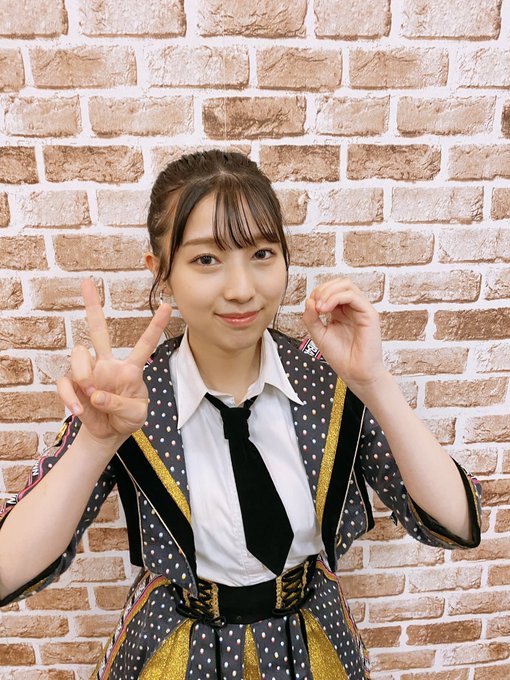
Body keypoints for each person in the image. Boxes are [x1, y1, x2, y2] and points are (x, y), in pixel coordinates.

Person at [0, 150, 481, 680]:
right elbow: (8, 571)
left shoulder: (329, 379)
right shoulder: (127, 396)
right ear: (161, 272)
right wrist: (95, 444)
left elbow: (456, 524)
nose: (241, 289)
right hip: (173, 649)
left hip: (314, 646)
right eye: (207, 259)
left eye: (262, 253)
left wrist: (375, 383)